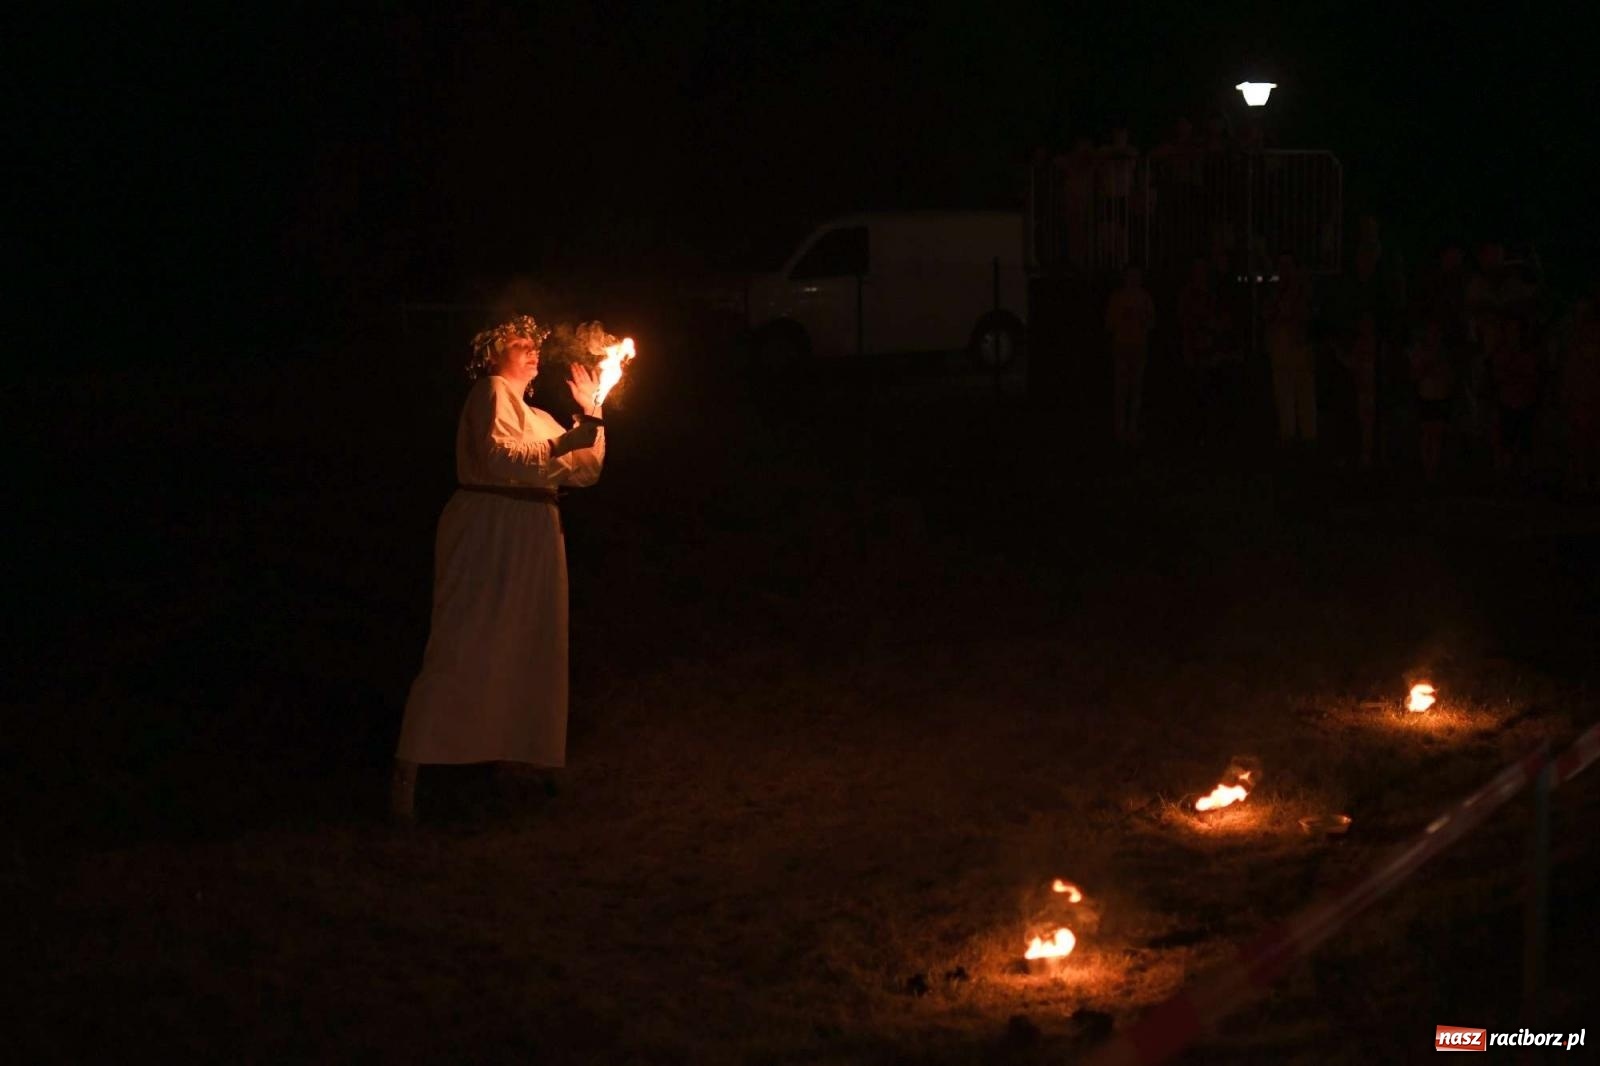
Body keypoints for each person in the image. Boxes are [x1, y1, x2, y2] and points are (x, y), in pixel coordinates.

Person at [391, 315, 606, 820]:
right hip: (490, 523)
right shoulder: (489, 391)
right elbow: (498, 458)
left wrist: (592, 412)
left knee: (532, 641)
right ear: (491, 356)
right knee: (467, 636)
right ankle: (409, 772)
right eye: (519, 343)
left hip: (536, 528)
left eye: (535, 344)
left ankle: (524, 753)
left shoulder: (540, 416)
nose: (532, 349)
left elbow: (587, 472)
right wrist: (565, 444)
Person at [1265, 252, 1317, 445]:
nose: (1285, 271)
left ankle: (1307, 437)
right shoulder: (1275, 293)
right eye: (1282, 266)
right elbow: (1268, 316)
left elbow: (1307, 317)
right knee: (1285, 395)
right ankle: (1290, 436)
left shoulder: (1303, 291)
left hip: (1299, 349)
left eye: (1288, 266)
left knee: (1304, 395)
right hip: (1282, 351)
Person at [1106, 265, 1156, 445]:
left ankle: (1131, 427)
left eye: (1136, 275)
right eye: (1130, 275)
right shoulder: (1117, 298)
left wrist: (1140, 320)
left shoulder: (1145, 298)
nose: (1133, 279)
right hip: (1122, 347)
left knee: (1135, 389)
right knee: (1121, 388)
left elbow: (1152, 323)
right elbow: (1109, 324)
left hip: (1139, 347)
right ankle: (1120, 428)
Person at [1409, 319, 1455, 482]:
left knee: (1436, 435)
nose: (1434, 335)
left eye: (1436, 332)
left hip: (1440, 397)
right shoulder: (1421, 351)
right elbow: (1414, 375)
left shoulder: (1444, 352)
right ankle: (1427, 470)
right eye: (1431, 332)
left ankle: (1432, 471)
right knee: (1426, 435)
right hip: (1426, 396)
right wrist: (1426, 368)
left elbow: (1450, 376)